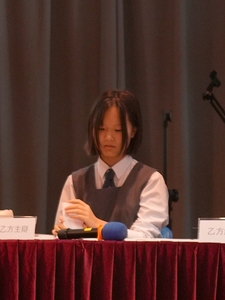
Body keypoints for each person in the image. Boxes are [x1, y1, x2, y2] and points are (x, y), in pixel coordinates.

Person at [53, 89, 169, 239]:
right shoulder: (75, 182)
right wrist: (63, 232)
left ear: (133, 131)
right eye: (101, 129)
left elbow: (145, 237)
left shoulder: (151, 180)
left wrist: (96, 223)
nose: (108, 137)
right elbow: (66, 235)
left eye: (118, 130)